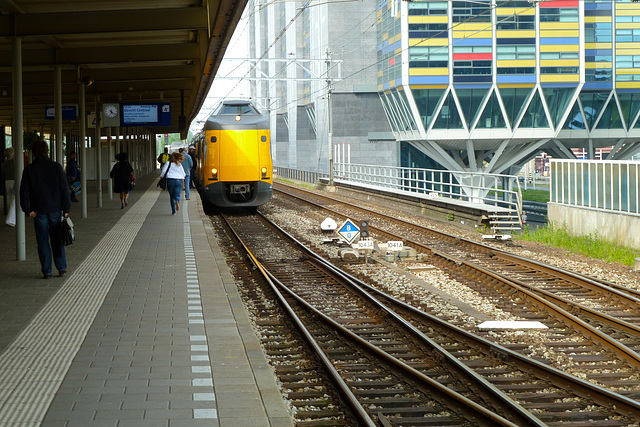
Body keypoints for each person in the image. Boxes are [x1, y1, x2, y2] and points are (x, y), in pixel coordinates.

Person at [20, 139, 71, 279]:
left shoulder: (29, 169)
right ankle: (61, 268)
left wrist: (28, 210)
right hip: (55, 209)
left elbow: (24, 191)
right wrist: (66, 208)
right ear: (47, 151)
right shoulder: (56, 167)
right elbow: (64, 189)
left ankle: (47, 271)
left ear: (34, 152)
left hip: (38, 211)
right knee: (57, 239)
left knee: (42, 242)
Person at [2, 147, 16, 226]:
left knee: (12, 199)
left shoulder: (4, 164)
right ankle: (10, 220)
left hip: (7, 182)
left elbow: (3, 174)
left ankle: (13, 218)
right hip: (14, 181)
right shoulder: (15, 162)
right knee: (14, 201)